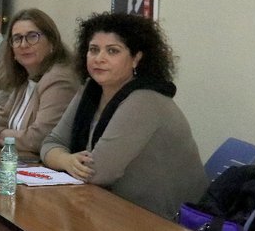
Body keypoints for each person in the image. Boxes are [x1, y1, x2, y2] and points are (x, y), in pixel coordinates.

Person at [41, 12, 206, 218]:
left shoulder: (145, 100)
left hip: (166, 222)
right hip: (114, 207)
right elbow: (50, 142)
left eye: (112, 51)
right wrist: (66, 160)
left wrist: (64, 159)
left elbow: (98, 172)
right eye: (94, 50)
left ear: (136, 59)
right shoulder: (91, 90)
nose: (99, 58)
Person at [0, 8, 78, 153]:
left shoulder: (59, 79)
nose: (23, 45)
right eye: (17, 39)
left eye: (32, 36)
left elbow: (38, 138)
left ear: (52, 43)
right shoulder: (26, 78)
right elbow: (2, 117)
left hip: (44, 170)